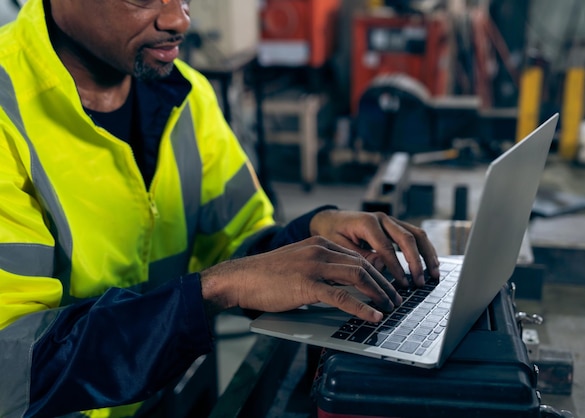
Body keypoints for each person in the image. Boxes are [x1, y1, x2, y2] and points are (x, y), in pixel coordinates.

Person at [0, 0, 440, 416]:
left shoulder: (187, 97)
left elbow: (243, 249)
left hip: (154, 397)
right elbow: (12, 370)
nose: (179, 20)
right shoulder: (7, 115)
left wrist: (314, 233)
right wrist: (213, 289)